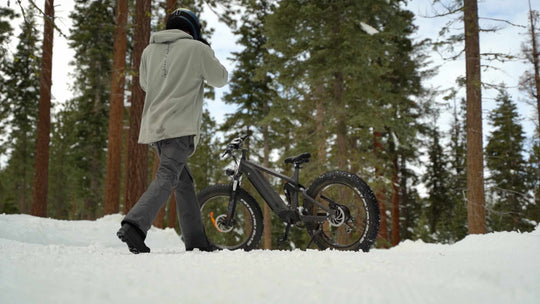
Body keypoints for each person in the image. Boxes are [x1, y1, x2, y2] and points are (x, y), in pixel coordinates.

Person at [117, 8, 228, 254]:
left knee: (183, 182)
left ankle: (197, 242)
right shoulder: (197, 49)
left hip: (156, 127)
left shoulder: (148, 51)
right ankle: (134, 225)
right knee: (168, 176)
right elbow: (220, 78)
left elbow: (145, 84)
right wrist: (206, 51)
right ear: (192, 29)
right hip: (179, 127)